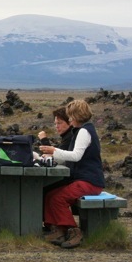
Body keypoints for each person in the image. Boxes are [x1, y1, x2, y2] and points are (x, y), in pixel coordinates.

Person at [39, 100, 105, 249]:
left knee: (58, 198)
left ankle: (73, 231)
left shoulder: (83, 131)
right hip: (86, 180)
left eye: (70, 116)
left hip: (89, 181)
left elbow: (76, 156)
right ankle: (57, 229)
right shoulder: (85, 130)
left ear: (75, 115)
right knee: (51, 195)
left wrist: (53, 151)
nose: (69, 119)